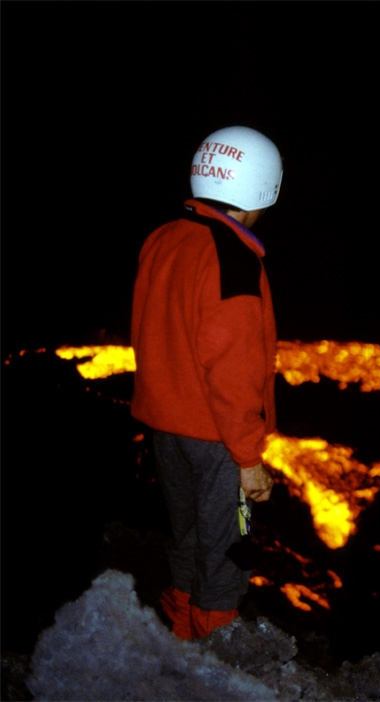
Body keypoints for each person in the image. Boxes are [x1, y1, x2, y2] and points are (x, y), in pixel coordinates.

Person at [131, 125, 282, 639]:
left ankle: (179, 625)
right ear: (265, 188)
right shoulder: (234, 260)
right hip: (217, 439)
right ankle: (215, 647)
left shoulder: (164, 237)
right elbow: (234, 371)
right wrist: (249, 460)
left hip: (164, 426)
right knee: (228, 545)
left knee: (188, 532)